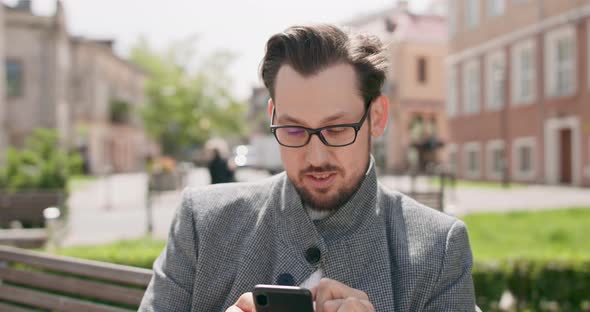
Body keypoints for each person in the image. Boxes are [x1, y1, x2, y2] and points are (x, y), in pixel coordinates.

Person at [139, 24, 476, 312]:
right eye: (294, 129)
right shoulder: (203, 222)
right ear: (273, 115)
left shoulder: (439, 248)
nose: (315, 156)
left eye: (337, 129)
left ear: (376, 117)